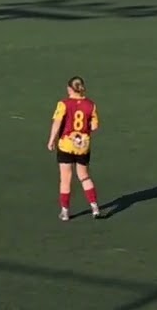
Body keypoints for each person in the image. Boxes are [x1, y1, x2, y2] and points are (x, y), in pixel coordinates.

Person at [47, 76, 101, 220]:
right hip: (83, 145)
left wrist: (51, 140)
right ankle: (95, 207)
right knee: (84, 176)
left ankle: (65, 211)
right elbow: (94, 126)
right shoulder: (91, 105)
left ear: (70, 88)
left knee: (65, 179)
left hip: (66, 145)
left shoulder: (63, 104)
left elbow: (57, 123)